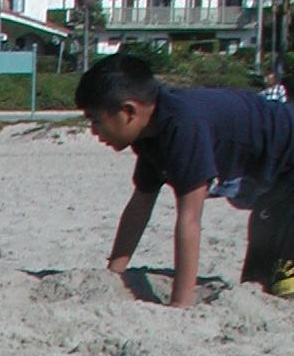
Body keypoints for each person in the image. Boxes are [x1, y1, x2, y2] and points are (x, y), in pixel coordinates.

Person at [76, 52, 294, 307]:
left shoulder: (184, 126)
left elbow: (190, 219)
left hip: (288, 164)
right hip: (273, 181)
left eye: (96, 121)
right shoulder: (150, 133)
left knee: (284, 283)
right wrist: (114, 273)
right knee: (257, 282)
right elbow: (140, 206)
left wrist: (180, 303)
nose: (94, 131)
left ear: (129, 111)